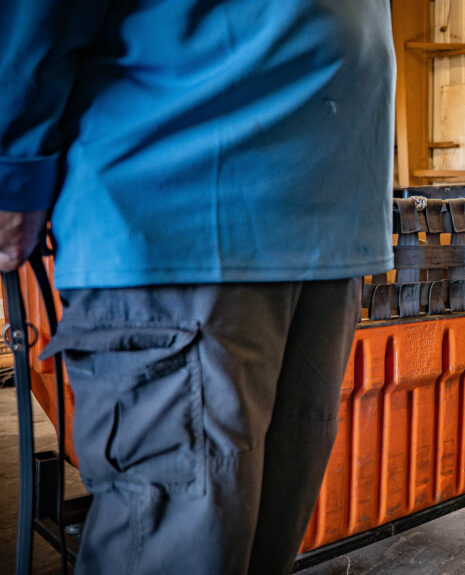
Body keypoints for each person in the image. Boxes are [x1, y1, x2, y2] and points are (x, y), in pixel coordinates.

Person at [0, 1, 395, 573]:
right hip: (184, 206)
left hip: (329, 218)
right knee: (179, 548)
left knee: (261, 545)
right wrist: (14, 165)